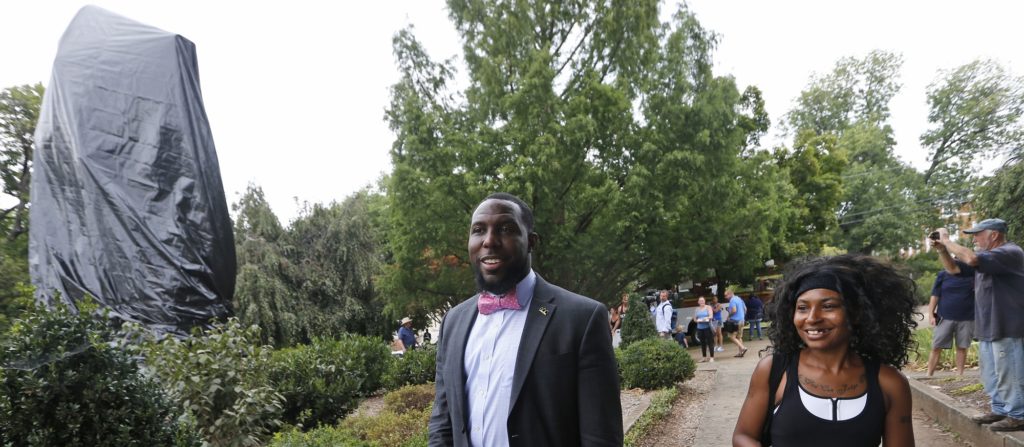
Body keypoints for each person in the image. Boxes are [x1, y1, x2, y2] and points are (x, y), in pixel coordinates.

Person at [428, 193, 622, 446]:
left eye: (506, 229)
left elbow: (601, 437)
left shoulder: (582, 319)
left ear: (531, 242)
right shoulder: (453, 322)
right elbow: (443, 423)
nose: (489, 241)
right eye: (478, 230)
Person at [733, 254, 917, 447]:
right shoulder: (774, 370)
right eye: (803, 308)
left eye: (828, 306)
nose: (812, 318)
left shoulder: (889, 383)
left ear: (856, 313)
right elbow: (743, 436)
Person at [932, 218, 1024, 431]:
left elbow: (971, 258)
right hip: (988, 326)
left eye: (978, 233)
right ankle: (1001, 409)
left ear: (994, 235)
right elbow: (954, 269)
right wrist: (942, 250)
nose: (974, 238)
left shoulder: (1009, 252)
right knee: (992, 374)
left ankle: (1018, 415)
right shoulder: (987, 259)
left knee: (1009, 371)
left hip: (1007, 325)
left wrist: (946, 239)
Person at [925, 268, 975, 376]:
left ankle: (959, 375)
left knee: (962, 347)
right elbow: (935, 295)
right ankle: (929, 374)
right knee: (936, 346)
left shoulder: (973, 274)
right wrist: (931, 314)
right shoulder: (943, 274)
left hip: (967, 317)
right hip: (944, 317)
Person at [725, 289, 748, 357]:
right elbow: (745, 309)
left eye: (726, 295)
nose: (725, 297)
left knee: (732, 337)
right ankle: (740, 353)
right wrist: (742, 316)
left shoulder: (732, 300)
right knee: (739, 337)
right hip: (741, 320)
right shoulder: (739, 299)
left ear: (730, 294)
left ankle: (743, 348)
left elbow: (734, 310)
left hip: (735, 322)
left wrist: (729, 316)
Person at [693, 296, 716, 363]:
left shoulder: (708, 307)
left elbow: (711, 316)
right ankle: (704, 357)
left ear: (705, 301)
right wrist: (697, 320)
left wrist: (704, 319)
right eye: (700, 301)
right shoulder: (697, 309)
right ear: (698, 302)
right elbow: (694, 319)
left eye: (703, 300)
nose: (702, 302)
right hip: (699, 328)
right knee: (702, 343)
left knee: (710, 342)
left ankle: (712, 357)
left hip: (707, 327)